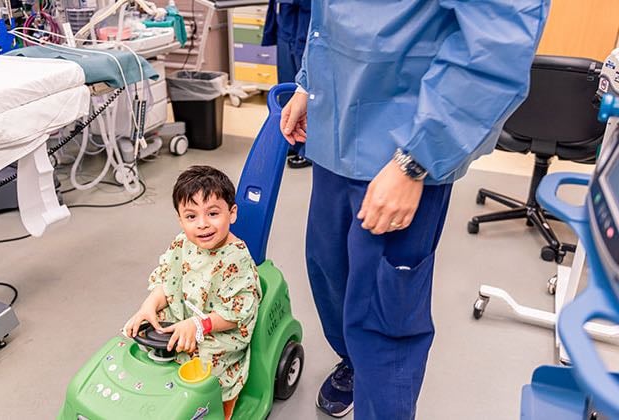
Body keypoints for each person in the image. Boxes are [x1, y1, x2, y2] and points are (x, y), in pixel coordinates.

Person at [279, 1, 550, 418]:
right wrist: (307, 83)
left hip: (402, 145)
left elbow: (498, 44)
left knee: (384, 315)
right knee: (329, 270)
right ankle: (354, 364)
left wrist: (416, 159)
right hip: (334, 127)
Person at [123, 165, 261, 420]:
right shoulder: (182, 243)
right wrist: (148, 306)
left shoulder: (236, 259)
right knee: (147, 335)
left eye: (212, 213)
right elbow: (168, 281)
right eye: (191, 216)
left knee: (209, 364)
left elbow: (235, 315)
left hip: (220, 328)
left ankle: (223, 405)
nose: (203, 225)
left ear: (231, 214)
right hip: (186, 315)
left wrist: (199, 325)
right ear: (180, 219)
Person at [262, 0, 312, 169]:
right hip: (287, 16)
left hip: (308, 15)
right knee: (287, 82)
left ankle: (307, 149)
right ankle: (291, 142)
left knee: (306, 88)